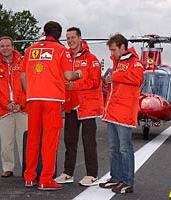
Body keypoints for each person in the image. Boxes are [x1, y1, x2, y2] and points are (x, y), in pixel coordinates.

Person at [20, 21, 82, 191]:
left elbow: (23, 76)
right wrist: (78, 74)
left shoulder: (30, 49)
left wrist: (29, 93)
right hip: (52, 100)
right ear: (59, 35)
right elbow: (68, 75)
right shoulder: (62, 50)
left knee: (33, 138)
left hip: (33, 99)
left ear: (44, 32)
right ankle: (45, 179)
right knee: (49, 140)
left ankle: (29, 177)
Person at [54, 27, 103, 186]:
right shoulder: (64, 57)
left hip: (87, 107)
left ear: (80, 38)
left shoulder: (92, 59)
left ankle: (92, 175)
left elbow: (95, 82)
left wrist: (74, 85)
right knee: (69, 141)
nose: (70, 41)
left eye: (73, 37)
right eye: (67, 38)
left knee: (89, 142)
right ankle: (68, 173)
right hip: (70, 105)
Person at [99, 33, 144, 194]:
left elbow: (137, 78)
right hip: (112, 112)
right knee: (113, 148)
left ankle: (127, 182)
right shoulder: (116, 64)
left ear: (122, 47)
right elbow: (114, 87)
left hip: (124, 114)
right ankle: (116, 178)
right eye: (110, 51)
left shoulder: (135, 63)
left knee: (125, 148)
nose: (111, 54)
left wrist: (115, 76)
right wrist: (106, 81)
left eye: (113, 50)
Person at [0, 36, 27, 178]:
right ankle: (8, 167)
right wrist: (6, 104)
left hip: (23, 109)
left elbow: (29, 84)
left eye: (7, 45)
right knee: (6, 142)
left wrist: (21, 103)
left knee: (25, 141)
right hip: (4, 110)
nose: (5, 48)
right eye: (2, 46)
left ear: (13, 46)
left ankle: (26, 168)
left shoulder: (23, 62)